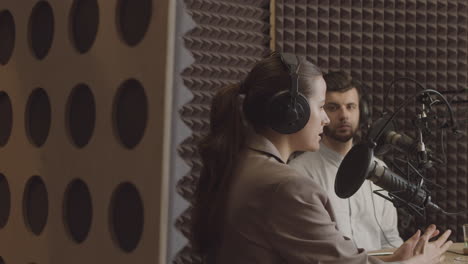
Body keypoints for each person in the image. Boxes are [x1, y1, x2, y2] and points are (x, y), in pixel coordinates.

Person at [191, 52, 452, 264]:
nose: (327, 119)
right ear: (294, 111)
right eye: (321, 106)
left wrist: (393, 261)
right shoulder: (287, 187)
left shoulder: (243, 164)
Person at [289, 71, 403, 251]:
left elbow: (390, 239)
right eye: (333, 107)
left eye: (350, 107)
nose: (344, 115)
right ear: (320, 112)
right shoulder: (299, 172)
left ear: (362, 112)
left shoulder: (380, 170)